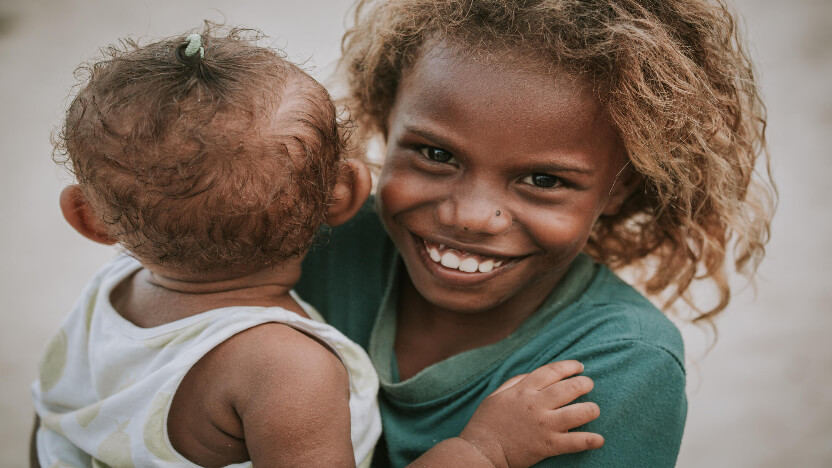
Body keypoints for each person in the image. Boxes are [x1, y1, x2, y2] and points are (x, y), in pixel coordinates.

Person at [31, 25, 606, 468]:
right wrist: (484, 450)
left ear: (90, 218)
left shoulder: (111, 293)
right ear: (347, 193)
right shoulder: (285, 370)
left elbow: (49, 425)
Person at [295, 0, 776, 466]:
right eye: (436, 154)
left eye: (544, 180)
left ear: (620, 189)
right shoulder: (310, 237)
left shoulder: (613, 366)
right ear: (385, 121)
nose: (472, 217)